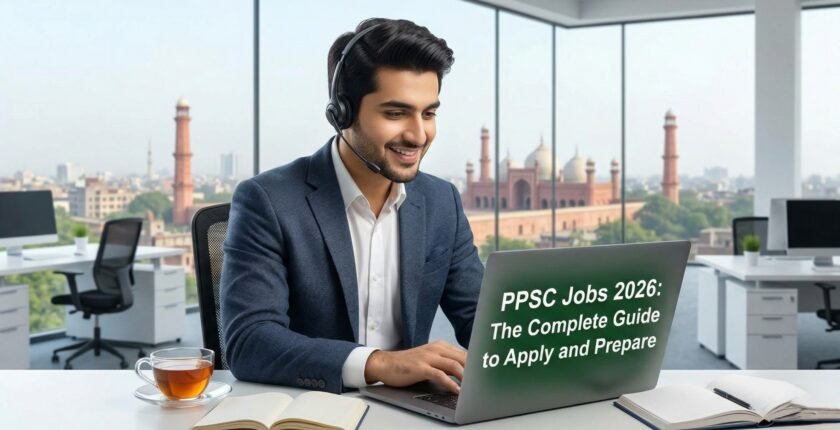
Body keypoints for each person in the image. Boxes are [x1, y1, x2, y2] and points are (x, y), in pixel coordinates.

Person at [220, 17, 483, 395]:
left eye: (428, 113)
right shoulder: (269, 200)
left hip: (408, 413)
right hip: (311, 409)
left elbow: (483, 319)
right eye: (395, 114)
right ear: (341, 113)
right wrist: (379, 363)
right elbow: (249, 342)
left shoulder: (441, 201)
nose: (418, 134)